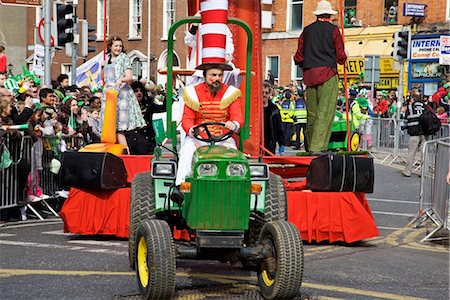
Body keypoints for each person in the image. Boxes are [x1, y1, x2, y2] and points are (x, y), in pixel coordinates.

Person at [293, 0, 347, 153]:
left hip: (310, 76)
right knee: (325, 113)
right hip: (328, 74)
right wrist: (344, 56)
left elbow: (298, 57)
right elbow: (341, 56)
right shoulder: (334, 30)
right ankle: (317, 148)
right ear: (329, 15)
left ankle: (309, 145)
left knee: (312, 114)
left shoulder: (306, 31)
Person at [101, 35, 146, 148]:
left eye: (120, 46)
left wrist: (121, 79)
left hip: (121, 93)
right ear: (110, 46)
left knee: (119, 127)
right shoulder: (107, 59)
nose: (118, 48)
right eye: (116, 46)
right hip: (109, 93)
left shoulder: (124, 57)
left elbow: (129, 77)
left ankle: (126, 152)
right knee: (110, 125)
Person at [184, 11, 235, 86]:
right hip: (200, 66)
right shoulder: (199, 25)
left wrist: (228, 54)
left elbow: (228, 42)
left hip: (217, 65)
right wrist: (194, 27)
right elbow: (189, 41)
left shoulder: (222, 27)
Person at [401, 90, 426, 177]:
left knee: (411, 153)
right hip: (424, 133)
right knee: (424, 153)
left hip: (414, 133)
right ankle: (423, 172)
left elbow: (406, 117)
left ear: (412, 99)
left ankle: (408, 171)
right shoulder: (425, 107)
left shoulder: (410, 107)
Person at [262, 80, 284, 155]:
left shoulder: (274, 110)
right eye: (262, 92)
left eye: (266, 93)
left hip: (270, 144)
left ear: (270, 94)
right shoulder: (254, 108)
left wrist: (281, 144)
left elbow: (279, 127)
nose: (264, 95)